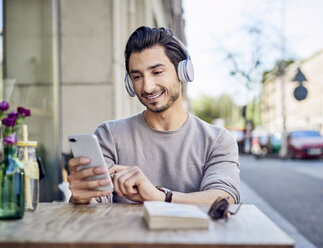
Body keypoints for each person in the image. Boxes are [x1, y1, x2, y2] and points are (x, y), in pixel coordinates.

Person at [67, 26, 240, 205]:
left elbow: (224, 198)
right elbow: (97, 202)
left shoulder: (218, 140)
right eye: (137, 76)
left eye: (157, 72)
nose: (148, 87)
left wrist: (158, 196)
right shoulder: (109, 135)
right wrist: (82, 198)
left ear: (183, 72)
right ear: (129, 82)